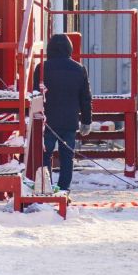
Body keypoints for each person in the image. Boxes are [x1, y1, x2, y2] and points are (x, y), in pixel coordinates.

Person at [35, 33, 92, 197]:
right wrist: (86, 121)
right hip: (69, 121)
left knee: (45, 155)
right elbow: (85, 98)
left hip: (47, 122)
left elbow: (34, 95)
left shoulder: (42, 68)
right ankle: (64, 189)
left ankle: (45, 187)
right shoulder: (79, 69)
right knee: (67, 157)